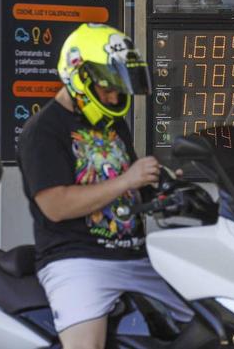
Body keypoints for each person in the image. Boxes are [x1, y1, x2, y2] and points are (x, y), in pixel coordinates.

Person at [17, 23, 193, 349]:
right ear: (79, 76)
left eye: (119, 87)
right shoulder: (43, 131)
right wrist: (126, 180)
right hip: (78, 261)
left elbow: (133, 185)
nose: (114, 96)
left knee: (205, 325)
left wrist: (163, 185)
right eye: (107, 87)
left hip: (137, 257)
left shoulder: (113, 125)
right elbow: (55, 206)